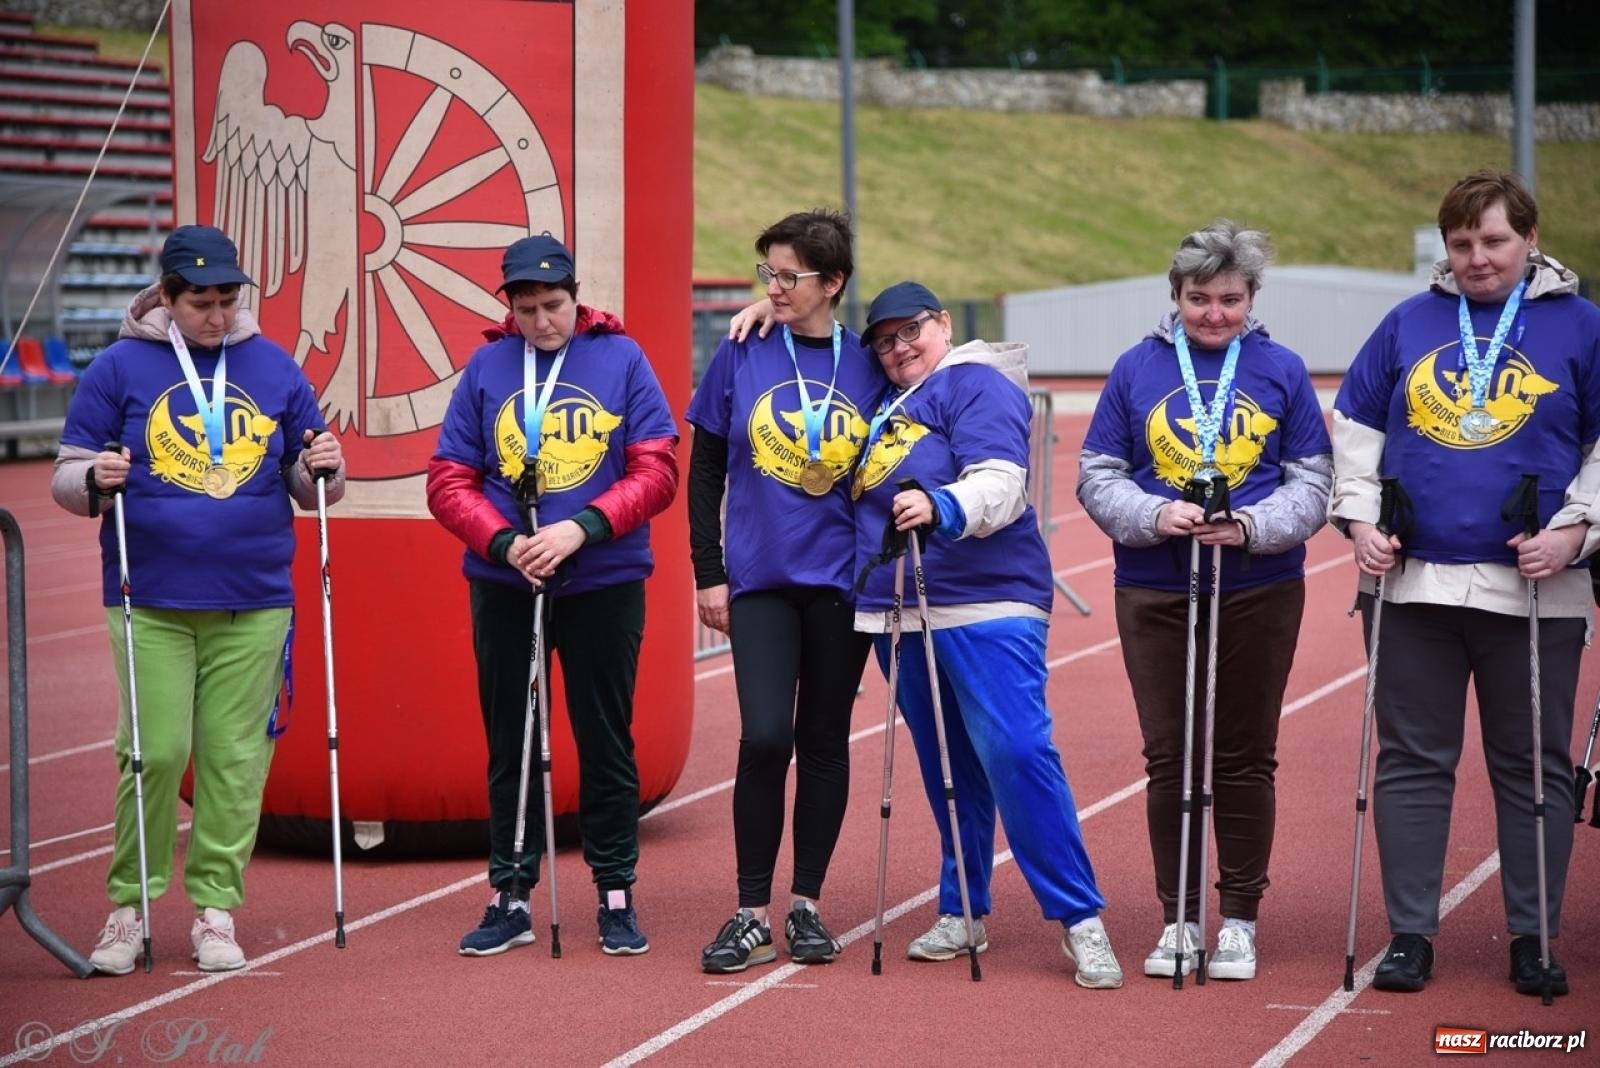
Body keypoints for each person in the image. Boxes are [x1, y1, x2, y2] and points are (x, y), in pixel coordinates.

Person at [1329, 170, 1600, 997]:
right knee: (1412, 761)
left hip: (1536, 591)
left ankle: (1533, 936)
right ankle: (1410, 934)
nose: (1477, 258)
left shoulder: (1582, 325)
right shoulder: (1408, 322)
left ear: (1530, 238)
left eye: (1494, 240)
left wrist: (1577, 530)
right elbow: (1355, 430)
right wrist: (1361, 522)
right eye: (1461, 243)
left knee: (1533, 766)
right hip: (1414, 588)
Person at [51, 224, 346, 974]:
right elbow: (68, 474)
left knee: (234, 759)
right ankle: (130, 905)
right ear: (168, 297)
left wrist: (325, 464)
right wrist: (93, 480)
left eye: (227, 301)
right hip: (148, 596)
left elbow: (312, 484)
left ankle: (215, 909)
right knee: (153, 752)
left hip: (253, 599)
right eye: (201, 303)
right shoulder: (118, 367)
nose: (217, 316)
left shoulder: (273, 366)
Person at [853, 281, 1125, 989]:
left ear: (943, 324)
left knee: (1018, 750)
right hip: (900, 608)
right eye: (883, 341)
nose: (898, 348)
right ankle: (963, 907)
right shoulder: (883, 400)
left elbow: (1003, 481)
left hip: (987, 599)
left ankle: (1080, 917)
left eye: (910, 330)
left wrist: (942, 505)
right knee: (948, 767)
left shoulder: (974, 382)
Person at [1078, 221, 1331, 982]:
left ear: (1252, 298)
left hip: (1259, 589)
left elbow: (1313, 481)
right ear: (1176, 296)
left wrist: (1252, 526)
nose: (1213, 313)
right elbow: (1098, 473)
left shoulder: (1281, 369)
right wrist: (1155, 514)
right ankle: (1179, 918)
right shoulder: (1136, 368)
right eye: (1198, 298)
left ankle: (1240, 921)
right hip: (1155, 587)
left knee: (1245, 755)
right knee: (1171, 757)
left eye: (1229, 299)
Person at [428, 234, 678, 958]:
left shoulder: (622, 359)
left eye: (555, 306)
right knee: (512, 739)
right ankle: (510, 893)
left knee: (605, 738)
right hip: (507, 584)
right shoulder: (487, 366)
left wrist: (582, 528)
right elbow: (448, 478)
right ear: (509, 306)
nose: (542, 322)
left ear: (576, 296)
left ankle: (616, 892)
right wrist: (505, 543)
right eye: (528, 309)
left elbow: (657, 469)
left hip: (603, 579)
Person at [686, 209, 882, 973]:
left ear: (832, 283)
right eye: (766, 272)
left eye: (788, 276)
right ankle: (748, 914)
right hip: (760, 579)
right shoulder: (742, 349)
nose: (772, 286)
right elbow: (705, 468)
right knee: (766, 735)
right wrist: (709, 571)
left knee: (824, 741)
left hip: (842, 585)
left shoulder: (868, 362)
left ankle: (805, 905)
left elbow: (941, 368)